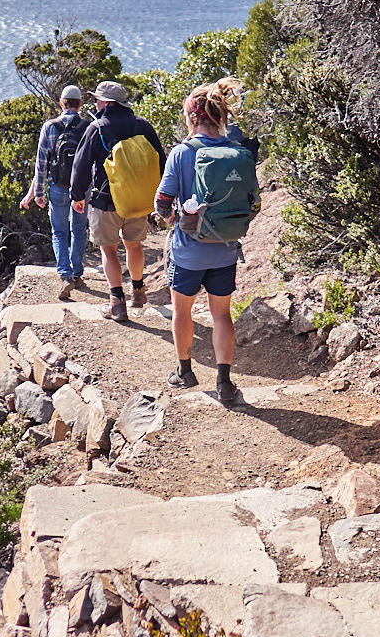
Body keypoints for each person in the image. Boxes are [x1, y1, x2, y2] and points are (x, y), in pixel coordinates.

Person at [155, 79, 258, 406]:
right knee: (221, 315)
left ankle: (185, 371)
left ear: (192, 117)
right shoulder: (238, 152)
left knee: (182, 311)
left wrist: (177, 220)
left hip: (188, 253)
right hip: (226, 250)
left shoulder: (182, 153)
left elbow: (161, 202)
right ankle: (225, 383)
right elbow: (254, 203)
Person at [69, 80, 165, 324]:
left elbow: (81, 166)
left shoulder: (97, 128)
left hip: (106, 201)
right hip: (138, 200)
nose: (96, 103)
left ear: (106, 102)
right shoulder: (142, 125)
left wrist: (77, 196)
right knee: (134, 246)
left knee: (108, 250)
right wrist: (162, 196)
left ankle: (117, 303)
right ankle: (139, 292)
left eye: (98, 99)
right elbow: (161, 161)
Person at [20, 83, 91, 301]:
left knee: (59, 232)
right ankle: (77, 273)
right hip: (82, 189)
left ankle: (65, 274)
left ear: (61, 103)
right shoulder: (88, 127)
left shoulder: (50, 127)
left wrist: (39, 193)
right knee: (79, 229)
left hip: (58, 187)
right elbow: (95, 163)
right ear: (80, 104)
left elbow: (41, 164)